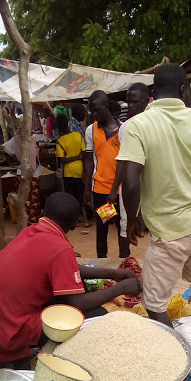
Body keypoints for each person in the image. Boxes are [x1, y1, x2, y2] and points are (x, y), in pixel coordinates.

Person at [117, 63, 191, 328]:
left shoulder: (137, 126)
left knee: (153, 304)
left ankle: (179, 355)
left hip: (170, 230)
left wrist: (133, 219)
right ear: (184, 90)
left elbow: (130, 182)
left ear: (154, 92)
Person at [0, 192, 141, 369]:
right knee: (98, 317)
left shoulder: (30, 231)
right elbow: (76, 302)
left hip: (4, 317)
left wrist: (112, 274)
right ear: (74, 224)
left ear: (44, 212)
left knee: (69, 293)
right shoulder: (60, 248)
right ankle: (68, 360)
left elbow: (68, 270)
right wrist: (120, 288)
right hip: (14, 329)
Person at [108, 83, 150, 257]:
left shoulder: (157, 122)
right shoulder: (125, 127)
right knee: (126, 223)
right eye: (128, 102)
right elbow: (123, 161)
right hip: (132, 181)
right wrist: (115, 189)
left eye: (135, 102)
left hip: (154, 181)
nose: (131, 106)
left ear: (147, 101)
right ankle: (123, 259)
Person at [84, 90, 124, 257]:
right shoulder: (90, 131)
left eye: (97, 110)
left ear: (106, 106)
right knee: (102, 229)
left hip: (121, 191)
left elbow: (125, 161)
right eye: (91, 111)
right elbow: (88, 160)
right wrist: (86, 188)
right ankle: (102, 263)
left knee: (123, 228)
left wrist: (115, 191)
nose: (94, 114)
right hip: (100, 190)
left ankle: (125, 261)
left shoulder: (123, 129)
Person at [56, 114, 90, 227]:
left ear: (59, 127)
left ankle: (74, 220)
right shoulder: (78, 136)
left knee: (72, 196)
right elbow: (84, 155)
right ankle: (85, 219)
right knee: (81, 195)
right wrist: (84, 170)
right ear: (67, 123)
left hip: (68, 172)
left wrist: (73, 158)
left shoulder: (60, 141)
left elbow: (63, 160)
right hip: (80, 170)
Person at [3, 127, 41, 223]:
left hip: (32, 173)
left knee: (30, 200)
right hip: (27, 172)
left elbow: (5, 149)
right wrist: (14, 161)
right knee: (25, 200)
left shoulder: (31, 139)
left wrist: (14, 160)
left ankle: (30, 222)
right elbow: (4, 149)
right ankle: (28, 222)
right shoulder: (16, 140)